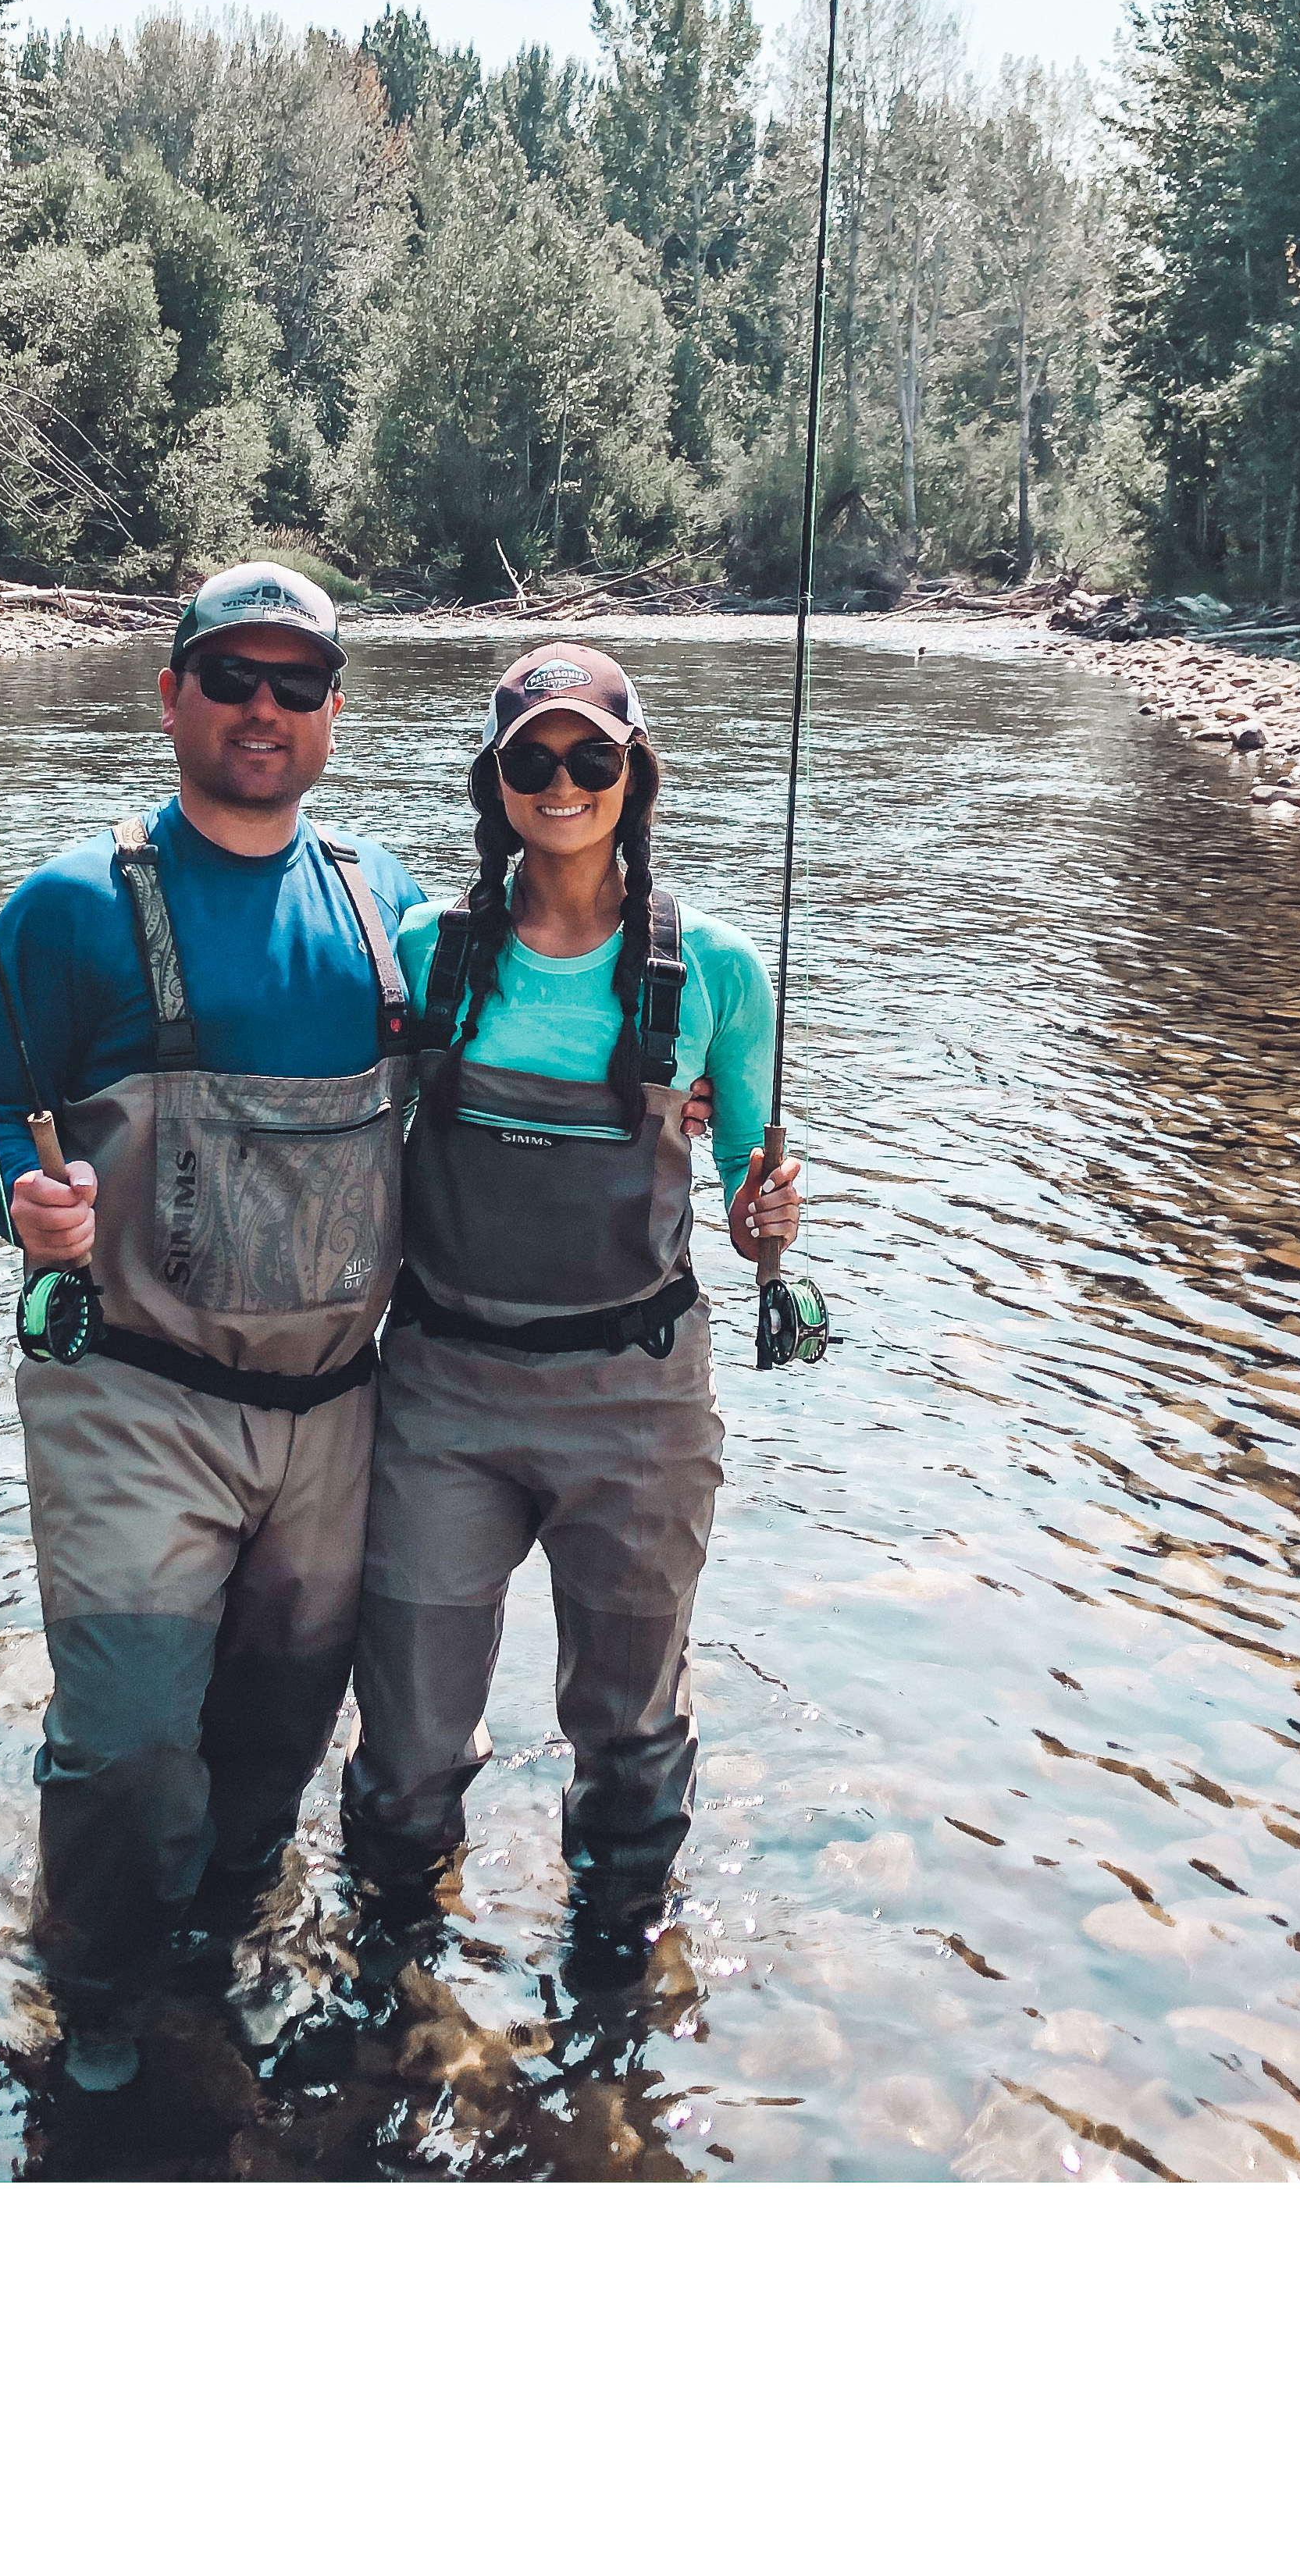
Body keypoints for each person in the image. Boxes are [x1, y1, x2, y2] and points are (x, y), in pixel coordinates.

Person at [0, 561, 421, 2090]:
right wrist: (22, 1193)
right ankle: (96, 2000)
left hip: (338, 1403)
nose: (262, 710)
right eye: (231, 678)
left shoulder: (392, 905)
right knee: (135, 1742)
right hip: (133, 1393)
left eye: (295, 684)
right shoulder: (72, 908)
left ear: (336, 713)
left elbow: (530, 1054)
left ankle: (218, 1941)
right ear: (171, 699)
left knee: (278, 1728)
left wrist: (687, 1104)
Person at [344, 642, 801, 1988]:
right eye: (532, 761)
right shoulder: (430, 952)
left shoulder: (715, 968)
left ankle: (616, 1961)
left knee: (631, 1718)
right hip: (442, 1393)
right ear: (496, 785)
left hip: (639, 1401)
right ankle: (395, 1955)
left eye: (590, 757)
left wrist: (771, 1224)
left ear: (631, 776)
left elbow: (755, 1178)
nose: (563, 782)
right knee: (412, 1727)